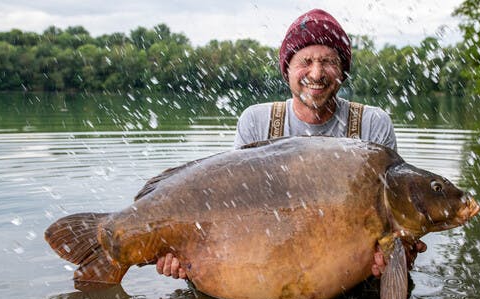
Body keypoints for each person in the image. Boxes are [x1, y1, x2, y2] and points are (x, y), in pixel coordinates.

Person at [156, 8, 426, 281]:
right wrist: (188, 253)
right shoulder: (256, 121)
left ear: (343, 71)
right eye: (305, 61)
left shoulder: (372, 125)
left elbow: (393, 221)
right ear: (287, 70)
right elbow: (234, 211)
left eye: (329, 62)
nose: (317, 73)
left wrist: (398, 254)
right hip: (272, 265)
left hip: (346, 275)